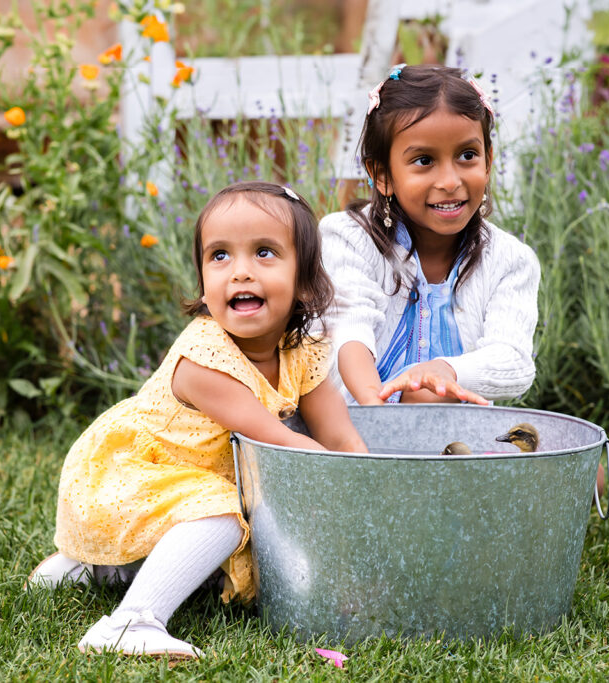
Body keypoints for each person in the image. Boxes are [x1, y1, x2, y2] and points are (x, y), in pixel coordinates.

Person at [27, 181, 367, 659]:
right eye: (220, 256)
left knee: (221, 518)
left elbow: (341, 436)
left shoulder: (303, 352)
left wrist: (375, 493)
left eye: (265, 253)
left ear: (306, 281)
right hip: (135, 472)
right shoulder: (205, 358)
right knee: (222, 515)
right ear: (203, 280)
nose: (240, 273)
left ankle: (92, 568)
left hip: (186, 483)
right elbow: (277, 440)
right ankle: (131, 622)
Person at [321, 64, 540, 406]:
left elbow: (512, 360)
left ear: (488, 160)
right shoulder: (349, 238)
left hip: (453, 440)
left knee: (428, 390)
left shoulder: (511, 260)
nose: (450, 181)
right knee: (420, 392)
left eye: (467, 155)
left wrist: (444, 370)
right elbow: (350, 330)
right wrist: (374, 408)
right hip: (353, 427)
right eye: (424, 160)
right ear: (382, 175)